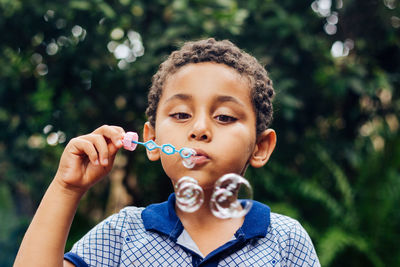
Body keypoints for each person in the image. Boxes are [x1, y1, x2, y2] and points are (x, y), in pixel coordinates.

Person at [14, 38, 320, 266]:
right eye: (181, 115)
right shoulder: (123, 235)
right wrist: (66, 188)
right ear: (152, 139)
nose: (199, 129)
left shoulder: (284, 241)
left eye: (224, 116)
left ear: (260, 146)